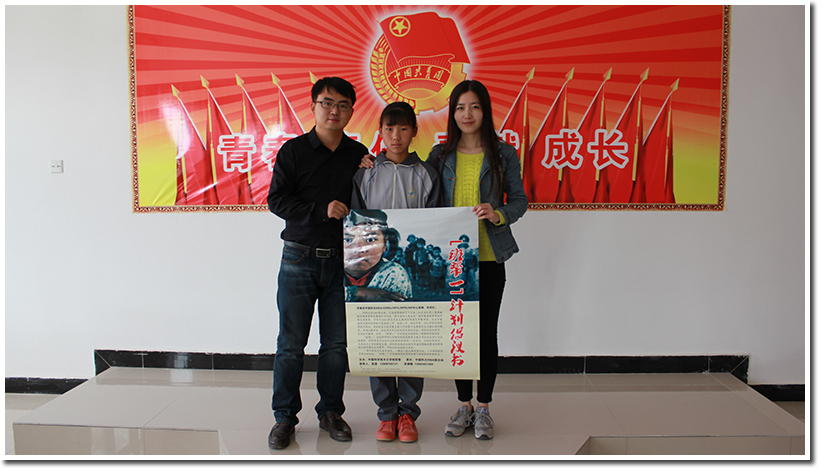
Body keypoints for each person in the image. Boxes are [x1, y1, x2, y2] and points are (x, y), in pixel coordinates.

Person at [266, 77, 370, 450]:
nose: (333, 111)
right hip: (299, 257)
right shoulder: (293, 151)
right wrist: (320, 210)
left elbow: (368, 201)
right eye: (327, 103)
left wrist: (373, 170)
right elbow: (277, 200)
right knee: (290, 344)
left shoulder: (358, 154)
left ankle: (330, 412)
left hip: (343, 261)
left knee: (336, 345)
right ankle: (284, 418)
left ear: (351, 111)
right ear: (313, 107)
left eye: (342, 105)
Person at [427, 79, 528, 440]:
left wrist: (498, 213)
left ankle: (483, 407)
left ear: (485, 111)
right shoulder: (439, 156)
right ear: (451, 113)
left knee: (485, 333)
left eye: (474, 107)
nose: (466, 114)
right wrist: (373, 163)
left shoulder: (503, 154)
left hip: (489, 256)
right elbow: (419, 189)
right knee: (458, 333)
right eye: (459, 108)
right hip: (452, 259)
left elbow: (520, 200)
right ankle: (463, 404)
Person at [350, 101, 441, 443]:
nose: (396, 136)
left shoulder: (427, 174)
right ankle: (386, 414)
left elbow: (434, 222)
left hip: (409, 274)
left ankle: (408, 413)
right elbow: (356, 225)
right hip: (373, 270)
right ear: (380, 131)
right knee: (379, 340)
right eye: (389, 128)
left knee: (412, 340)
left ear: (414, 132)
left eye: (403, 128)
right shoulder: (366, 172)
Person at [343, 209, 412, 302]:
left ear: (385, 244)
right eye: (347, 240)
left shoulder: (393, 273)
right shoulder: (328, 269)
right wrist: (358, 293)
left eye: (370, 240)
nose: (360, 249)